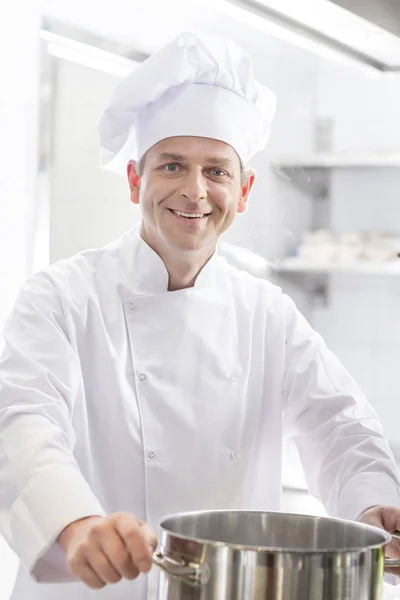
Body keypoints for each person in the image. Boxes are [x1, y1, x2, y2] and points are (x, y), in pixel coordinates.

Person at [0, 31, 400, 600]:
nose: (195, 191)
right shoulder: (61, 298)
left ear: (244, 190)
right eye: (171, 166)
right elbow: (22, 422)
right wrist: (74, 523)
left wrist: (372, 504)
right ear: (136, 179)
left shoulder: (268, 315)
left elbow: (339, 424)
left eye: (217, 171)